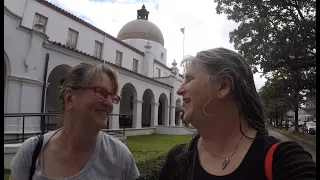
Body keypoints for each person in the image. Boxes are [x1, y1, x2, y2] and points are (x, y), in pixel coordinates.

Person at [159, 48, 316, 180]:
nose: (180, 90)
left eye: (189, 79)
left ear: (223, 86)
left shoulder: (285, 162)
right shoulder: (177, 160)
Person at [10, 62, 140, 180]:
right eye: (101, 92)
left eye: (113, 98)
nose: (110, 104)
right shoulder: (32, 152)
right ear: (70, 98)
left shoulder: (120, 156)